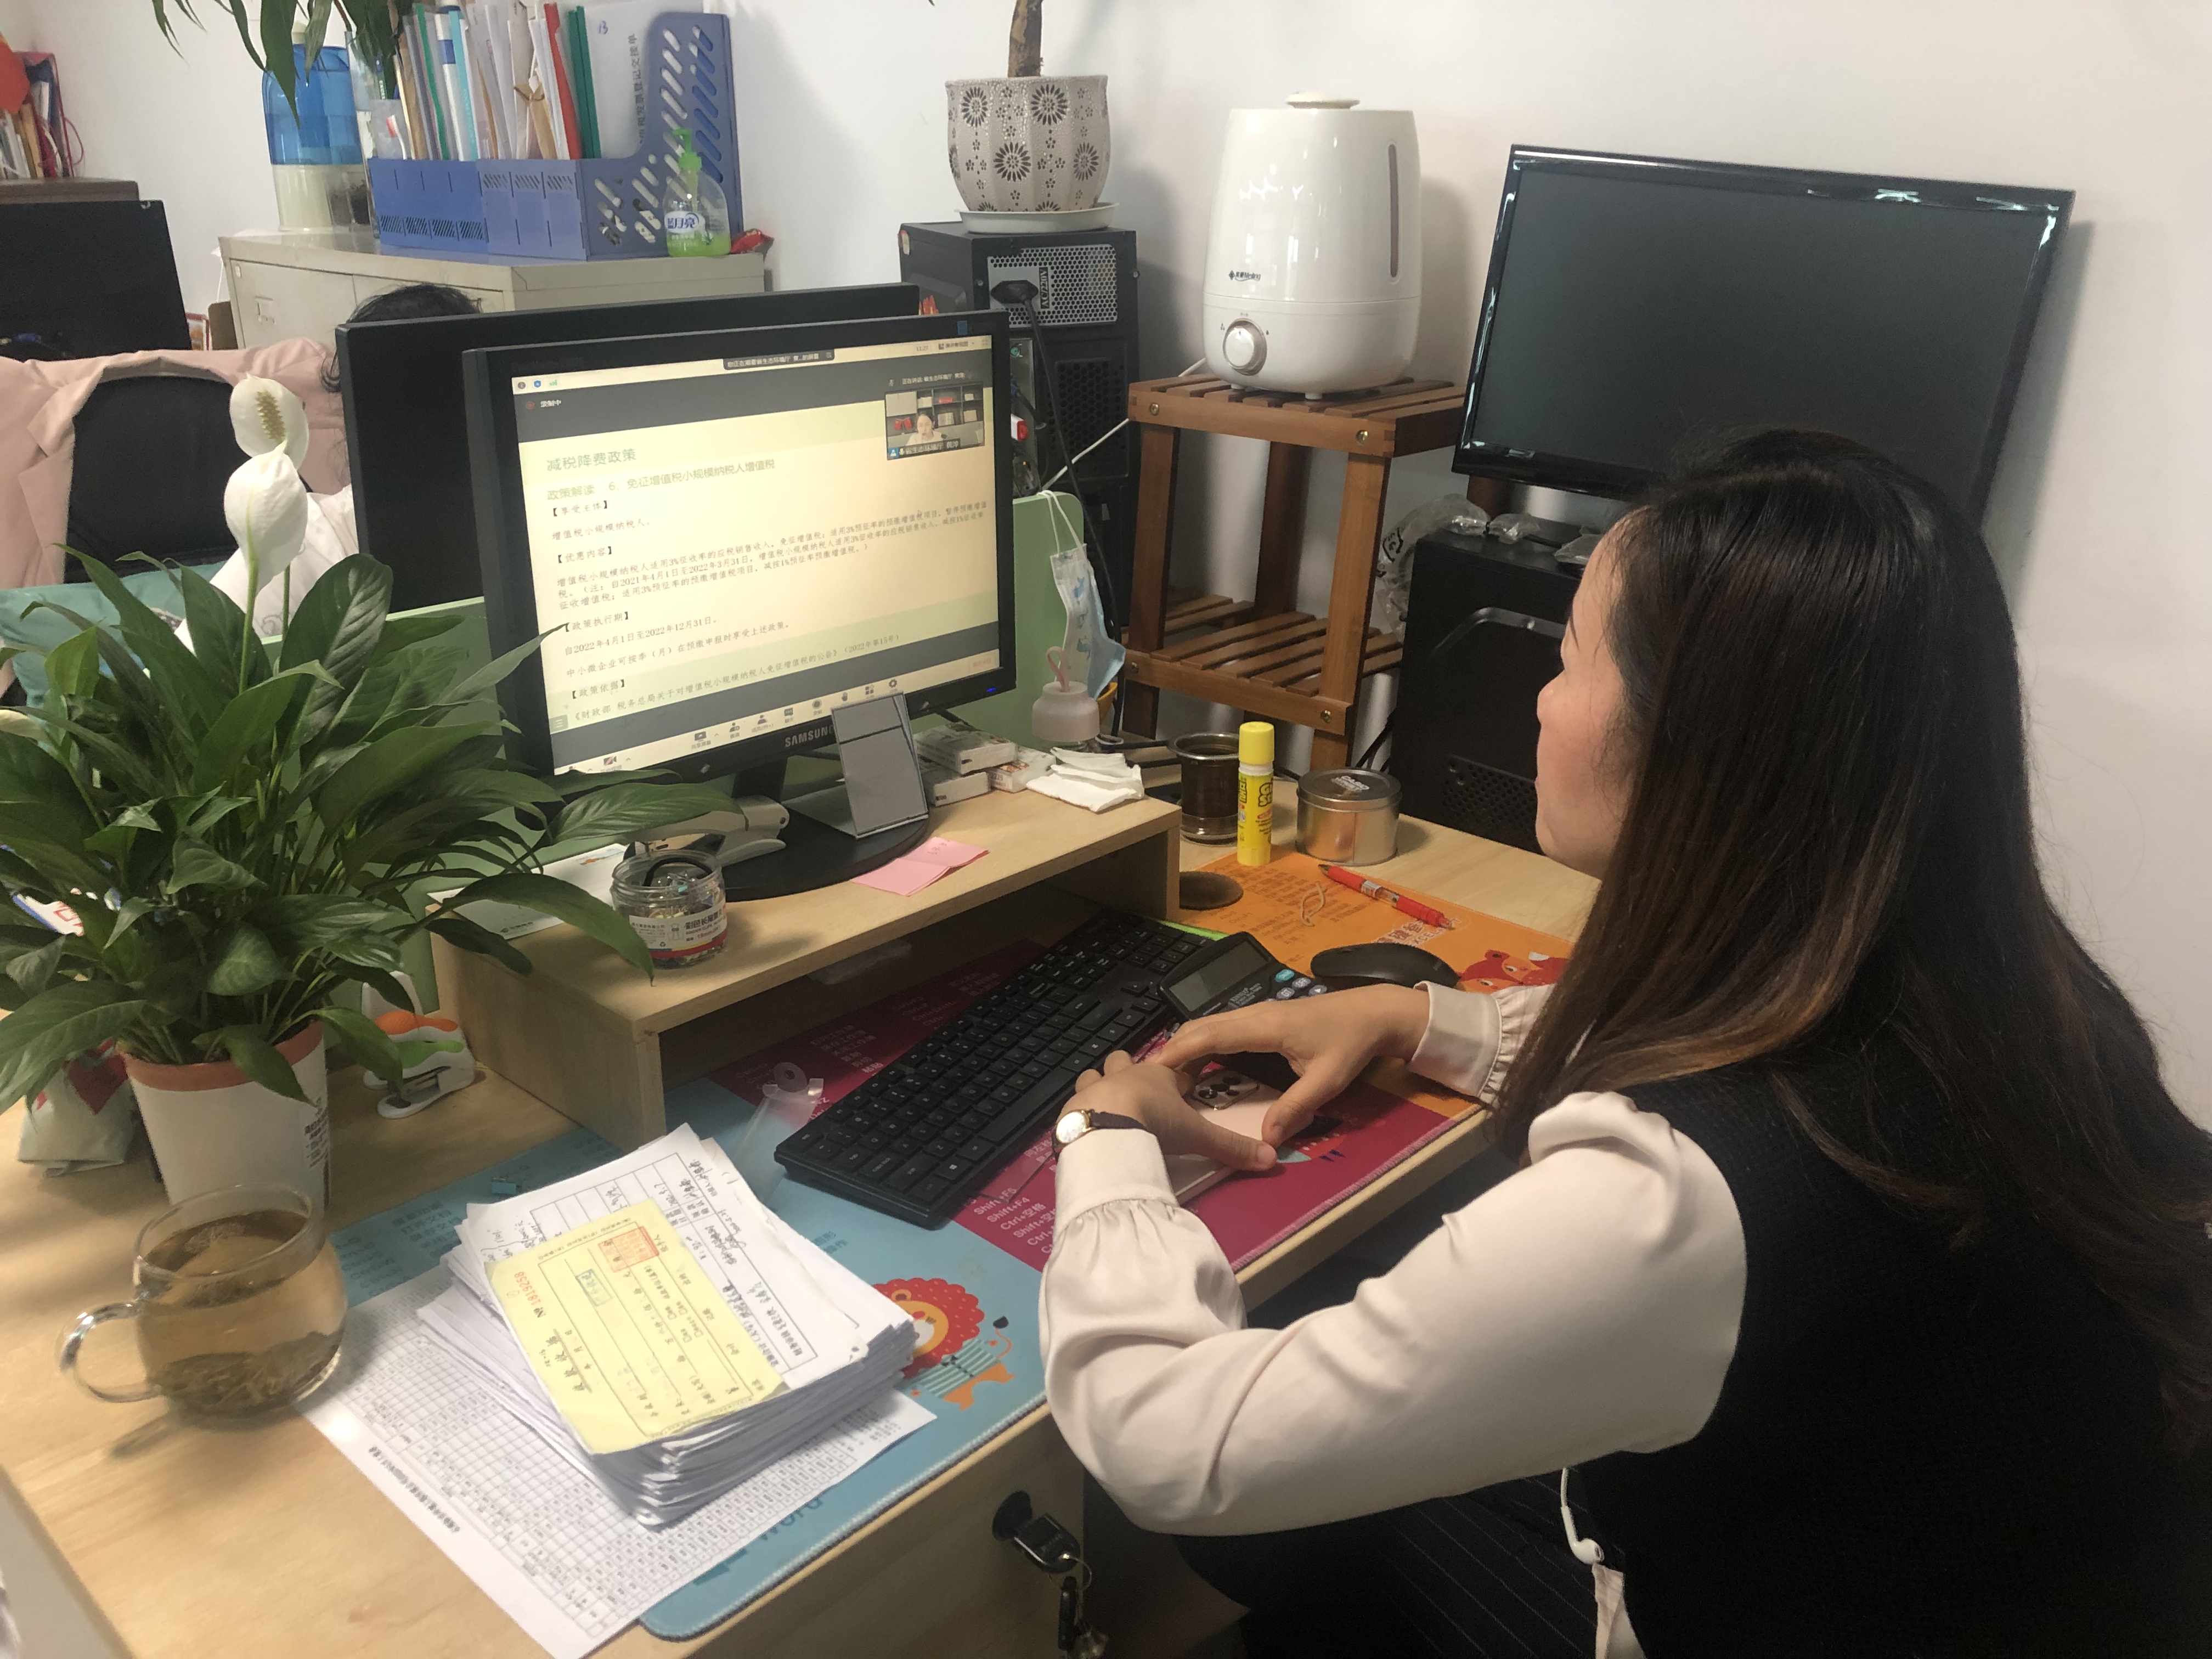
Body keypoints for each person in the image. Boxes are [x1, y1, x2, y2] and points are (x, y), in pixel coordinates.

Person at [1039, 430, 2212, 1658]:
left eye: (1569, 658)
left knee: (1287, 1515)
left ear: (1697, 740)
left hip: (1771, 1606)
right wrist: (1417, 1017)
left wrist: (1103, 1142)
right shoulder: (2024, 997)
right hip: (1999, 1572)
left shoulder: (1674, 1206)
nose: (1543, 701)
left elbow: (1173, 1445)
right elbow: (1737, 1035)